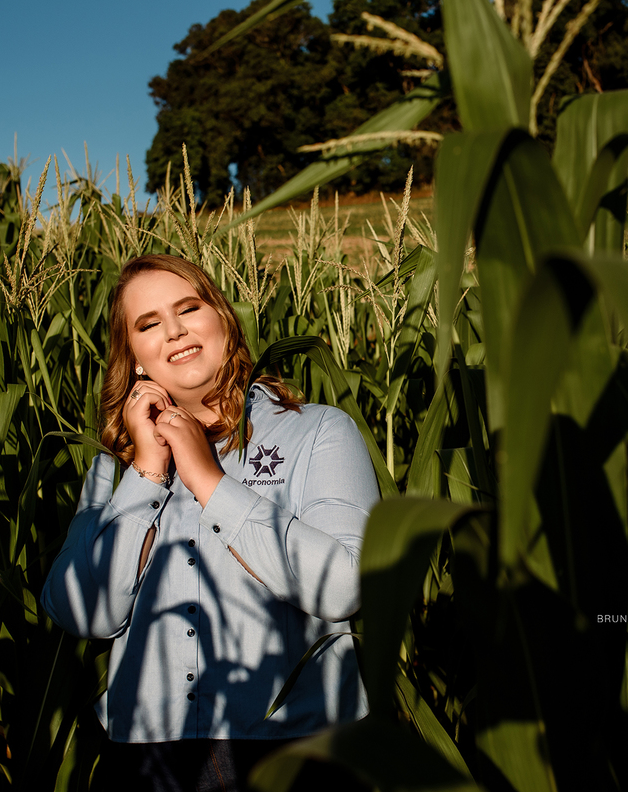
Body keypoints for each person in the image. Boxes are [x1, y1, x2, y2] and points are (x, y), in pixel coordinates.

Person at [41, 254, 379, 791]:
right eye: (148, 324)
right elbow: (85, 613)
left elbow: (346, 585)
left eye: (188, 309)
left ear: (223, 318)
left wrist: (208, 481)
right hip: (147, 756)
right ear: (134, 357)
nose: (174, 331)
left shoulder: (318, 432)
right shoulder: (113, 468)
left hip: (294, 748)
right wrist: (147, 474)